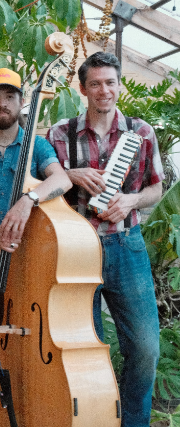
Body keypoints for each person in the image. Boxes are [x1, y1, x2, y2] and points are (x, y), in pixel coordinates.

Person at [47, 52, 162, 427]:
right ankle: (91, 419)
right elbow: (40, 187)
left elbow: (156, 188)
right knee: (84, 350)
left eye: (110, 82)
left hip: (126, 245)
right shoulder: (60, 134)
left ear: (119, 85)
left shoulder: (141, 132)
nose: (104, 90)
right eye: (95, 83)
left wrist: (131, 200)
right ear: (83, 89)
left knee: (145, 348)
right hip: (75, 251)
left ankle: (132, 421)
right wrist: (71, 175)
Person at [0, 68, 72, 426]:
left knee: (22, 342)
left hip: (25, 255)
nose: (2, 103)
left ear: (21, 102)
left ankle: (22, 416)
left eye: (9, 96)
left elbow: (62, 179)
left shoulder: (37, 146)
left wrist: (28, 199)